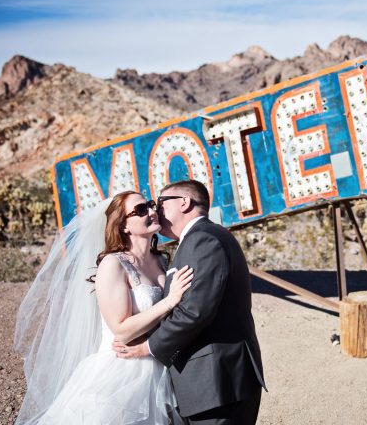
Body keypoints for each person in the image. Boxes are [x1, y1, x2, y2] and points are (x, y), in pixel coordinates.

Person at [15, 190, 193, 424]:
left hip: (160, 367)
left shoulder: (161, 260)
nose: (151, 211)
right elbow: (121, 330)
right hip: (123, 374)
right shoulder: (113, 264)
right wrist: (170, 301)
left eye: (150, 205)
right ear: (124, 225)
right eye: (140, 210)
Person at [114, 179, 266, 424]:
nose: (155, 211)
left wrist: (147, 348)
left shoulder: (201, 239)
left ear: (184, 202)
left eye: (160, 203)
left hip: (216, 382)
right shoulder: (202, 238)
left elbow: (194, 312)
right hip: (217, 381)